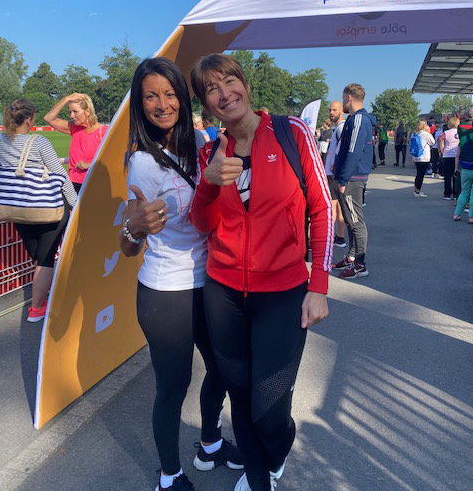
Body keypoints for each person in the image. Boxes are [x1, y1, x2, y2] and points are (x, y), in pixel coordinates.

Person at [189, 53, 332, 491]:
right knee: (241, 394)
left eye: (228, 81)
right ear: (206, 103)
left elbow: (322, 208)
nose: (223, 93)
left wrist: (319, 285)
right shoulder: (211, 152)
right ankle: (257, 475)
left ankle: (277, 448)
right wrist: (210, 182)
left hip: (283, 292)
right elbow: (202, 223)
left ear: (245, 85)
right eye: (211, 88)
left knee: (269, 409)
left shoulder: (292, 132)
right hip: (224, 292)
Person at [119, 58, 242, 491]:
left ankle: (209, 444)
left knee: (225, 369)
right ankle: (169, 476)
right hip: (166, 291)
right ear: (140, 103)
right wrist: (135, 228)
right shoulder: (142, 164)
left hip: (210, 282)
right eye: (150, 95)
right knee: (174, 386)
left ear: (183, 99)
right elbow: (128, 242)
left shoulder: (202, 144)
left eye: (169, 93)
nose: (162, 103)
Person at [0, 99, 77, 321]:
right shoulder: (39, 142)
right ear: (31, 119)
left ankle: (39, 300)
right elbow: (60, 176)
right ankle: (38, 307)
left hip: (17, 207)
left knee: (38, 256)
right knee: (44, 258)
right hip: (48, 207)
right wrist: (76, 203)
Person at [331, 83, 375, 279]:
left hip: (353, 178)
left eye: (342, 99)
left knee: (356, 221)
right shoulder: (354, 119)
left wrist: (344, 178)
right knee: (350, 219)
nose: (342, 102)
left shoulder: (358, 120)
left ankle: (360, 264)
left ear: (348, 97)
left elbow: (353, 151)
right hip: (350, 176)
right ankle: (352, 256)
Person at [44, 93, 108, 194]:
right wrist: (67, 98)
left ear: (87, 112)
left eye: (75, 111)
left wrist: (89, 165)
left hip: (93, 184)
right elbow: (49, 118)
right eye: (70, 112)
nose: (71, 116)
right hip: (72, 184)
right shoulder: (74, 128)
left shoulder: (104, 132)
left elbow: (114, 160)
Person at [325, 101, 347, 248]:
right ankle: (339, 237)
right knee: (338, 206)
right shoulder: (340, 128)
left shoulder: (341, 128)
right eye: (330, 110)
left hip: (333, 173)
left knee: (331, 206)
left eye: (335, 110)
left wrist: (335, 166)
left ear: (341, 111)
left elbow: (342, 150)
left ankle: (327, 238)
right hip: (335, 173)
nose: (331, 112)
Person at [453, 116, 473, 224]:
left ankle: (457, 214)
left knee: (464, 192)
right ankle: (471, 217)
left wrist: (456, 167)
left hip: (465, 168)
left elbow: (457, 155)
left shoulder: (464, 138)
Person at [411, 121, 435, 197]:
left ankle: (415, 189)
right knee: (421, 175)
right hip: (424, 157)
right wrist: (429, 133)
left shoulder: (414, 134)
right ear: (424, 126)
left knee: (418, 174)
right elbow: (433, 142)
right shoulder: (426, 134)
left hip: (416, 156)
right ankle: (418, 191)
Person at [439, 116, 459, 200]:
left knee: (447, 176)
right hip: (456, 156)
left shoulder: (445, 133)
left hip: (447, 155)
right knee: (456, 175)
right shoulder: (459, 133)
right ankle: (455, 194)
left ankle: (447, 194)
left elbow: (441, 143)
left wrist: (443, 151)